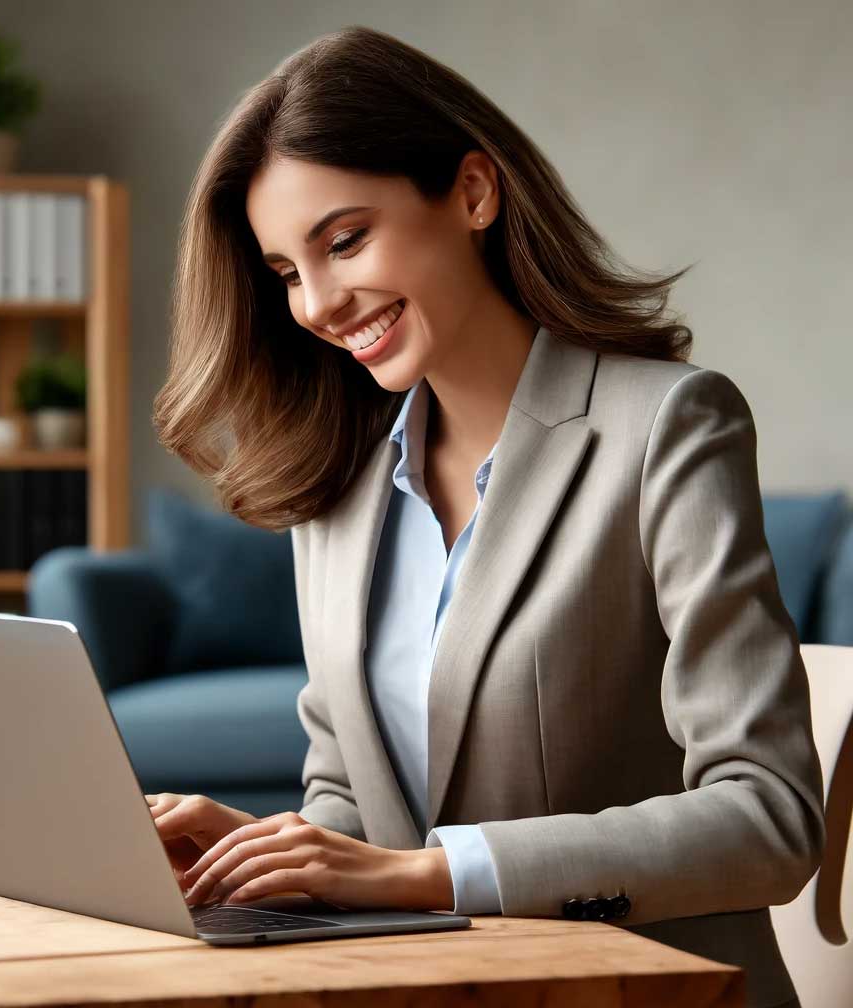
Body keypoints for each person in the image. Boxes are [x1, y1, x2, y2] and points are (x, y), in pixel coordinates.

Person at [146, 25, 823, 1008]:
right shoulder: (333, 487)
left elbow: (769, 822)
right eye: (288, 271)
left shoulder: (667, 427)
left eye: (344, 241)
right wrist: (264, 853)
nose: (320, 303)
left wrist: (426, 873)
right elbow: (348, 793)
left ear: (471, 192)